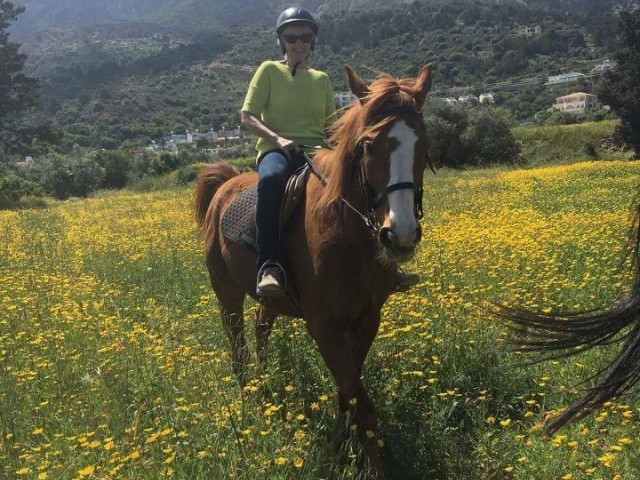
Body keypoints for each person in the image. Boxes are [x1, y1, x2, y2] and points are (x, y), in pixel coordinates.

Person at [241, 7, 420, 297]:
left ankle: (385, 265)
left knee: (358, 186)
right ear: (282, 41)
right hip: (277, 150)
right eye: (291, 37)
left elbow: (329, 127)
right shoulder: (269, 71)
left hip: (315, 151)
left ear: (313, 41)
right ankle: (269, 265)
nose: (299, 43)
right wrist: (278, 139)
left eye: (305, 37)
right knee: (271, 180)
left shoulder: (321, 79)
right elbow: (247, 116)